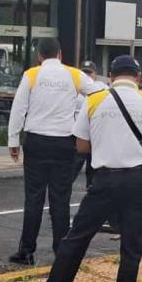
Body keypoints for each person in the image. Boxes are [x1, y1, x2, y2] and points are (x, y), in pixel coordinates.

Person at [27, 55, 142, 282]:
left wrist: (107, 142)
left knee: (77, 237)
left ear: (111, 76)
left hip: (105, 180)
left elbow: (81, 145)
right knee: (131, 247)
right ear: (138, 78)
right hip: (139, 180)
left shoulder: (94, 100)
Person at [7, 39, 103, 266]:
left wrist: (13, 140)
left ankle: (27, 251)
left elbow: (18, 108)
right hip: (63, 143)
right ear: (60, 54)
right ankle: (61, 250)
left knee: (34, 199)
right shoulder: (74, 74)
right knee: (60, 199)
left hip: (36, 142)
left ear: (40, 56)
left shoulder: (31, 75)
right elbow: (99, 93)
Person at [72, 60, 108, 187]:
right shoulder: (74, 87)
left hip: (96, 134)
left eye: (89, 73)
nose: (87, 75)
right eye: (84, 72)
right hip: (78, 135)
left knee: (93, 170)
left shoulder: (102, 88)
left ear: (95, 74)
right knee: (73, 167)